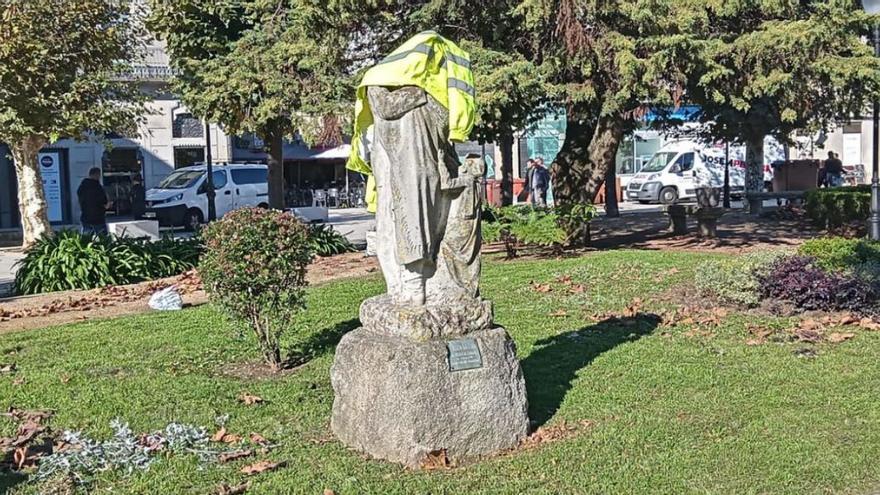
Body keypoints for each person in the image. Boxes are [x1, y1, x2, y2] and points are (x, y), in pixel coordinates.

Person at [77, 167, 109, 234]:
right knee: (103, 237)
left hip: (85, 217)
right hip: (98, 218)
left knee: (87, 237)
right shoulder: (98, 188)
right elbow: (104, 202)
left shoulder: (82, 186)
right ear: (97, 175)